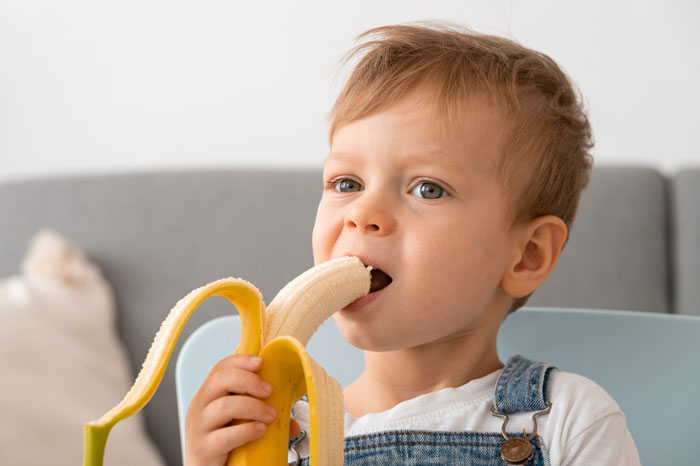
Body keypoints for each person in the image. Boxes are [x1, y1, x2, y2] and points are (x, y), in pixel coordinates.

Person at [185, 22, 641, 465]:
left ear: (527, 255)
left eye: (428, 189)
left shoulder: (564, 420)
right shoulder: (279, 433)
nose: (361, 213)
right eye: (346, 182)